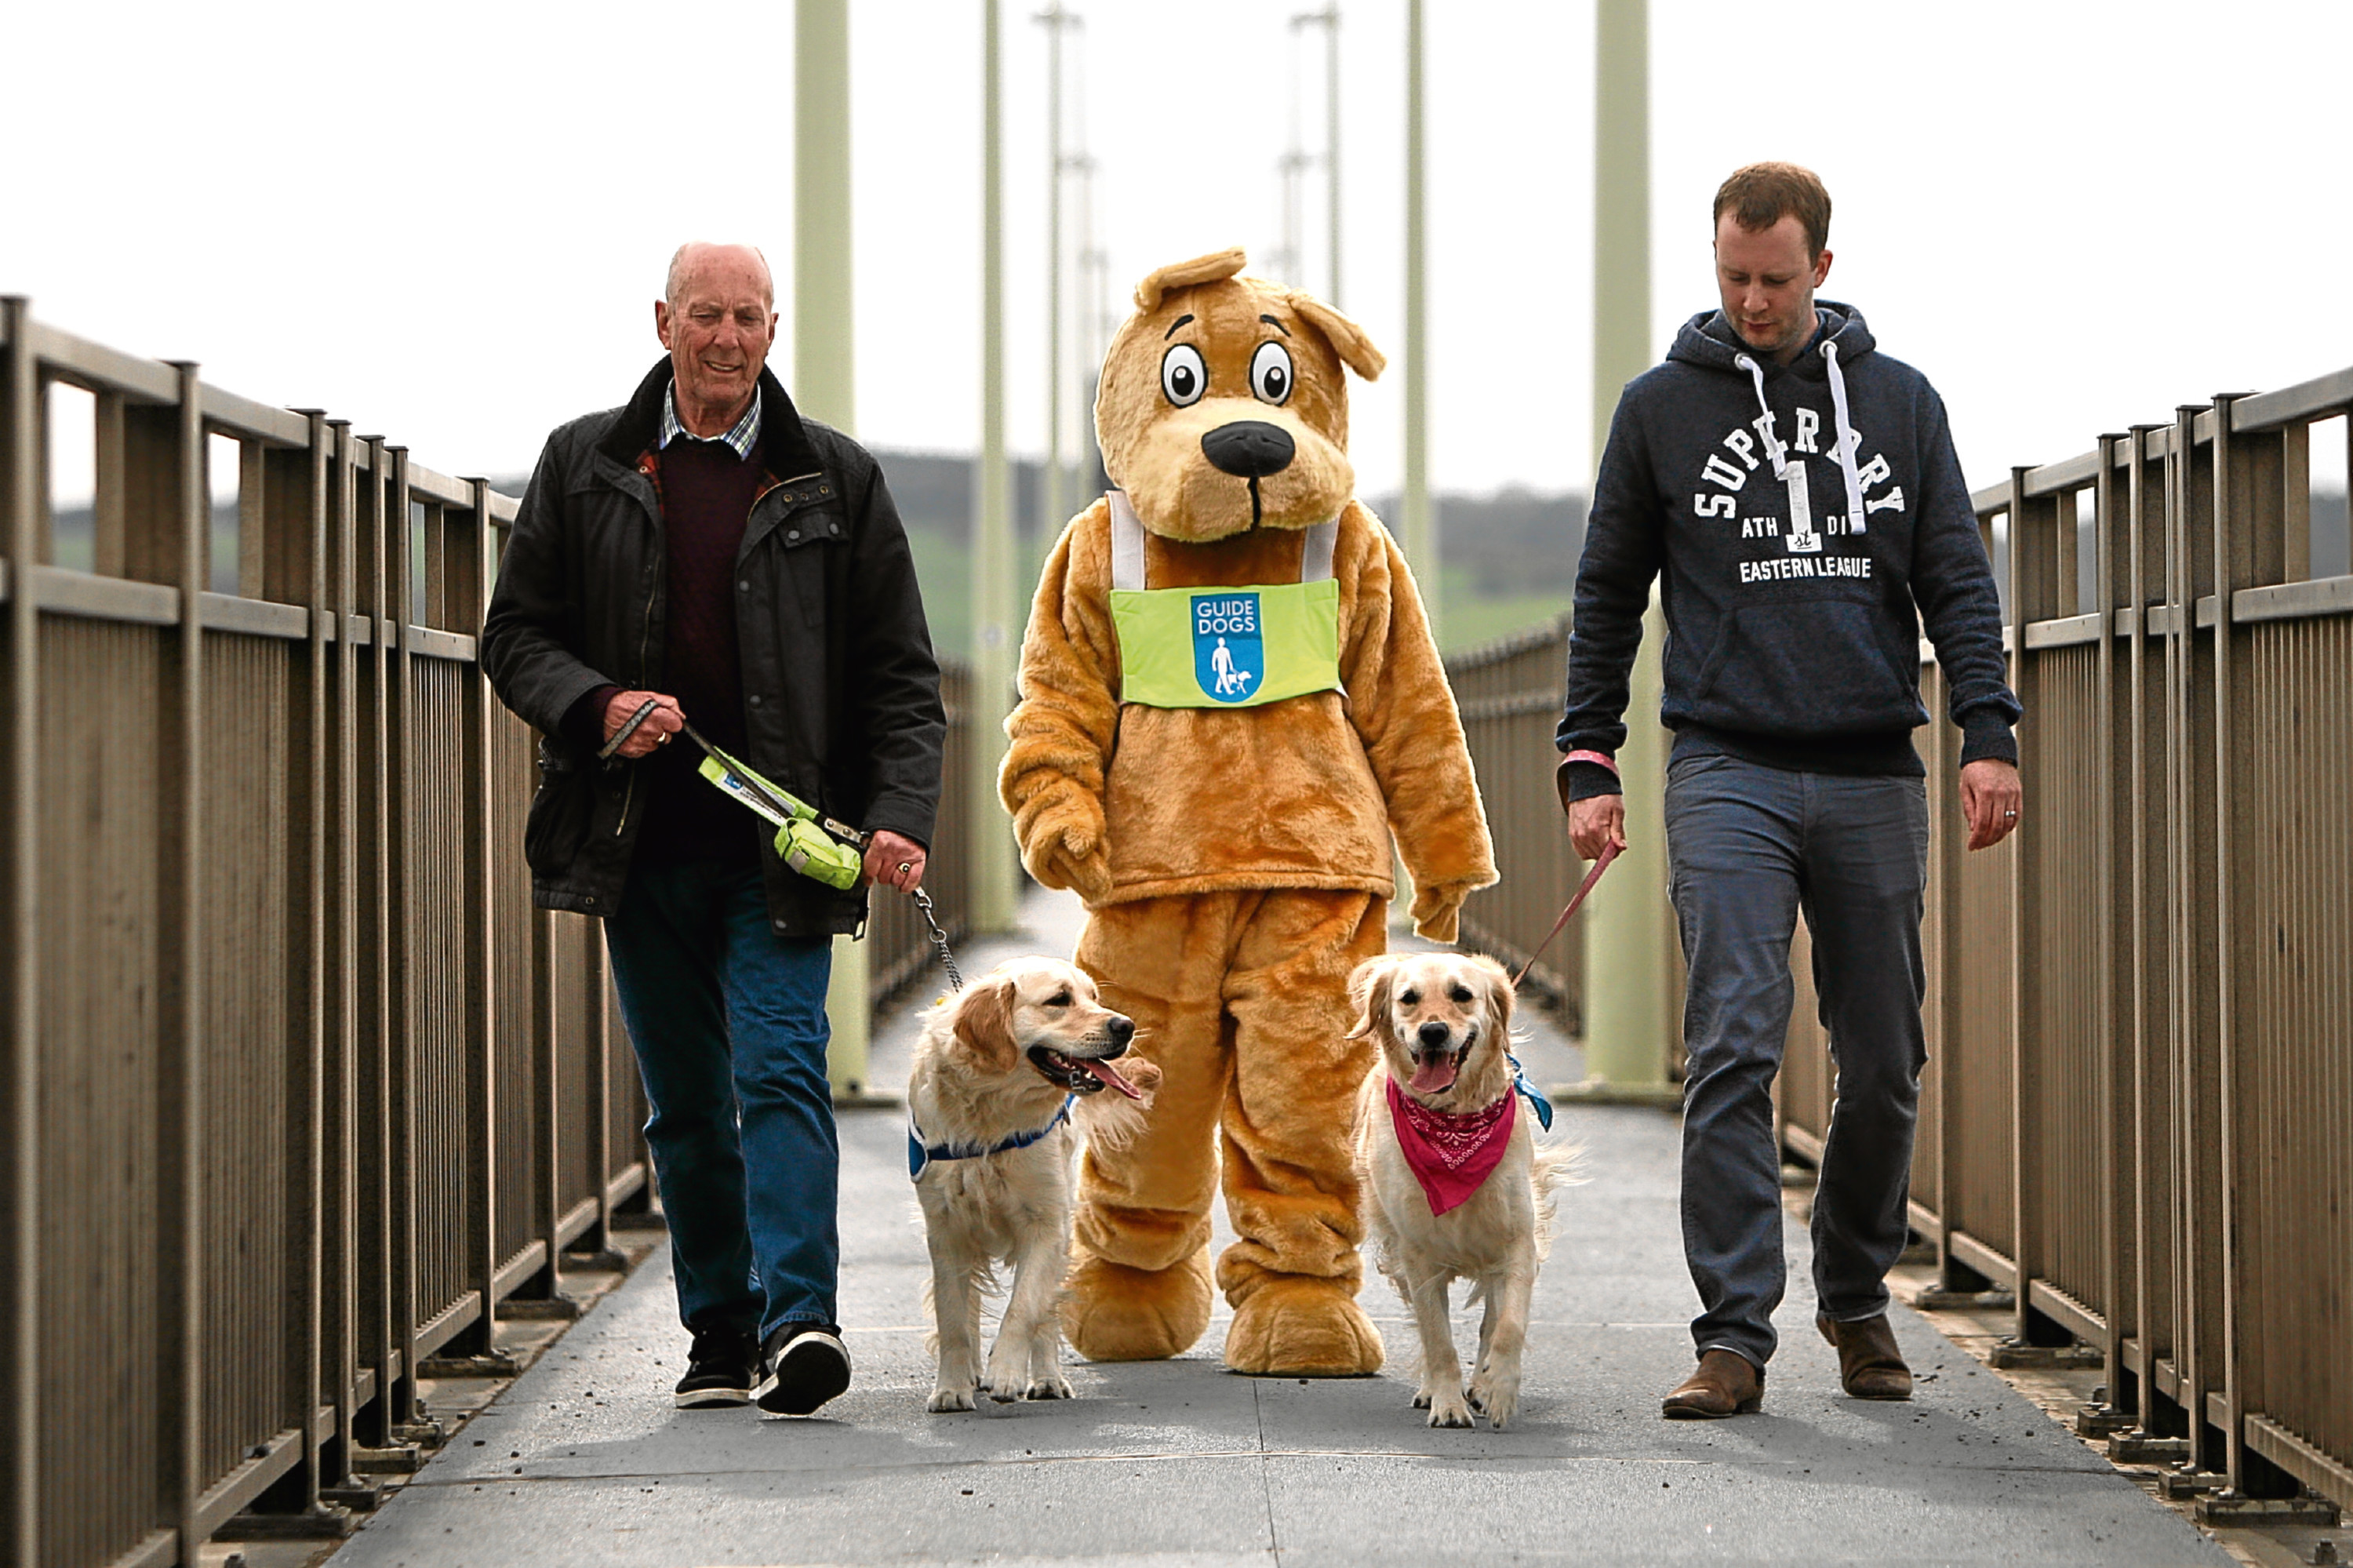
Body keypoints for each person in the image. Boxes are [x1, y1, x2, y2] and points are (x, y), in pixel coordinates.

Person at [1557, 163, 2022, 1419]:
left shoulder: (1901, 404)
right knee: (1736, 1043)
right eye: (1731, 277)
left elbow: (1956, 584)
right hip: (1726, 765)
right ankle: (1733, 1337)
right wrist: (1587, 758)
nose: (1751, 300)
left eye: (1773, 278)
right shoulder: (1660, 410)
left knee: (1883, 1063)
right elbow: (1608, 592)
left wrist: (1990, 729)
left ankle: (1858, 1298)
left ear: (1822, 267)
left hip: (1872, 763)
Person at [482, 242, 944, 1417]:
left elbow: (898, 673)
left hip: (777, 846)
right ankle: (720, 1333)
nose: (726, 337)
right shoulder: (580, 463)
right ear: (663, 323)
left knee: (781, 1069)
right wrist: (597, 704)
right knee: (685, 1101)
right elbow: (516, 634)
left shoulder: (834, 478)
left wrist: (895, 816)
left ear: (772, 331)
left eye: (746, 317)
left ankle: (802, 1323)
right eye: (705, 316)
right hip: (633, 841)